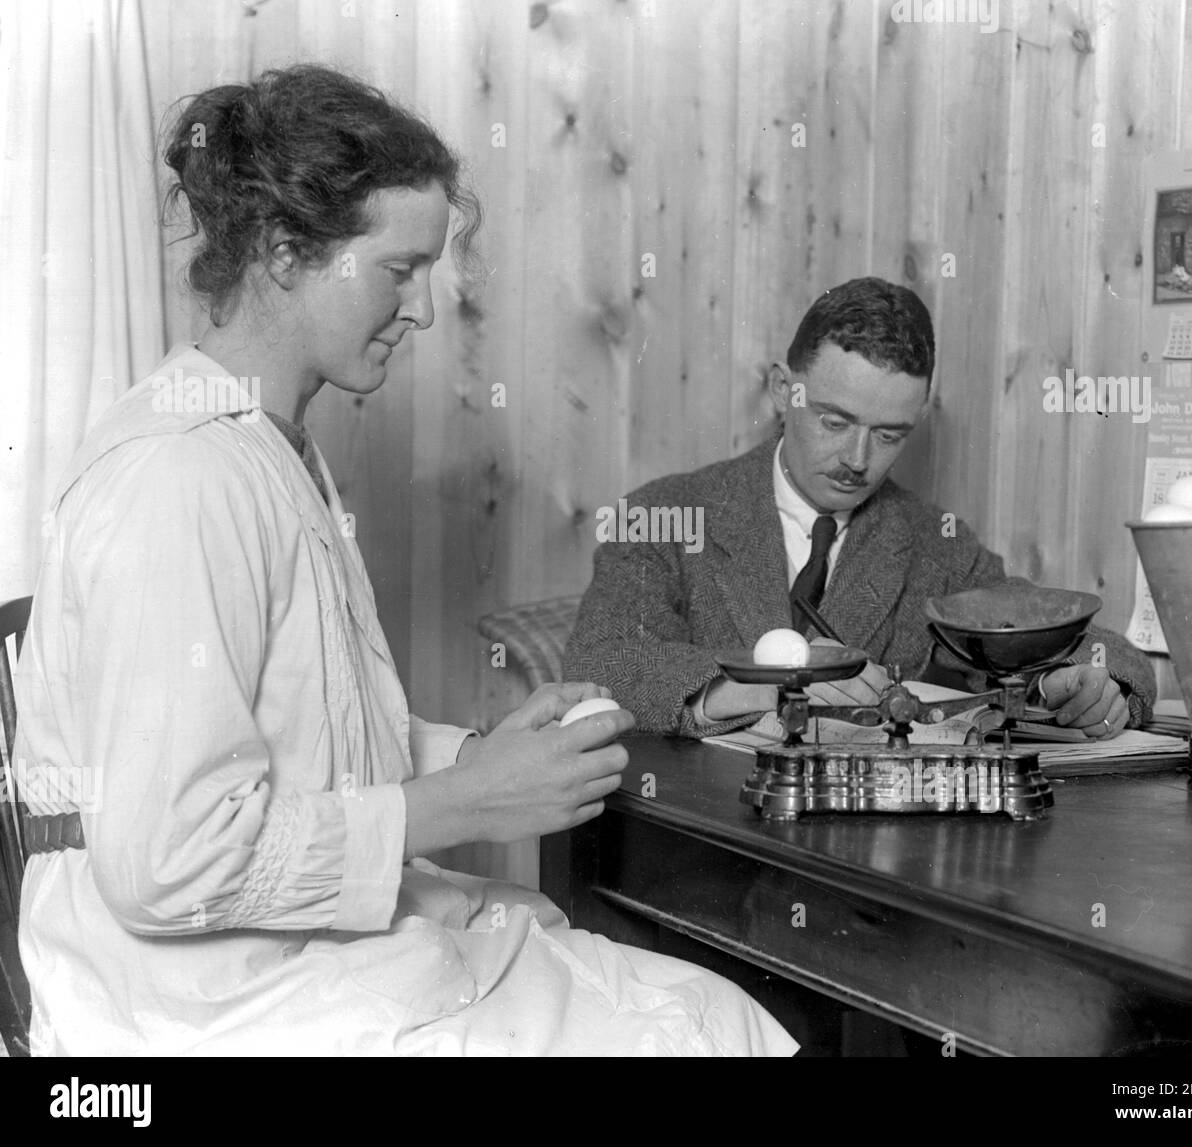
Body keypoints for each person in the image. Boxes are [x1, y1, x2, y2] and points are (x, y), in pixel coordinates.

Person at [14, 65, 796, 1056]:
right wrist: (466, 803)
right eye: (398, 269)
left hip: (274, 961)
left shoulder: (265, 450)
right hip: (192, 1001)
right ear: (285, 249)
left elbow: (309, 745)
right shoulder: (180, 476)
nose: (424, 310)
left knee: (713, 1014)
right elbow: (167, 857)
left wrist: (475, 755)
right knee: (703, 1032)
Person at [564, 277, 1156, 739]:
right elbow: (603, 658)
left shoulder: (935, 546)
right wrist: (766, 688)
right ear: (781, 389)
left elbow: (1066, 639)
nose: (857, 458)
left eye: (890, 435)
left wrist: (1087, 685)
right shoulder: (667, 514)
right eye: (834, 421)